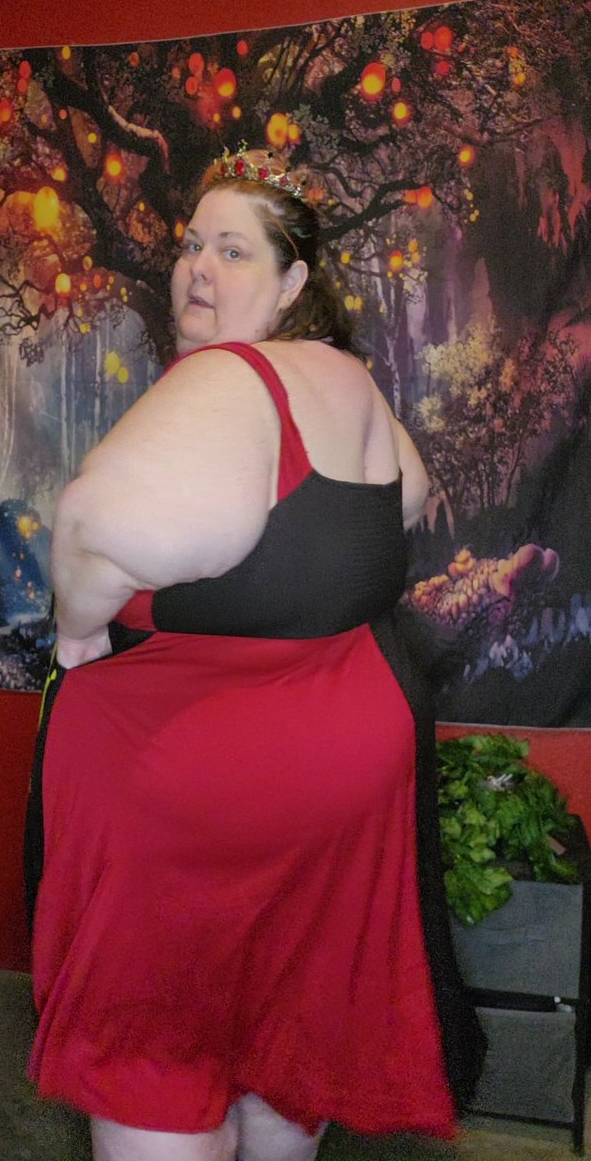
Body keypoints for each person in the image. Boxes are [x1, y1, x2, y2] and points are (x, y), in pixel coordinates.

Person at [25, 146, 484, 1161]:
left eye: (233, 251)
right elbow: (405, 500)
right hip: (339, 787)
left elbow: (97, 523)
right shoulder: (346, 381)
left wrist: (78, 631)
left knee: (157, 1049)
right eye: (192, 243)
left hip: (193, 804)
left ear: (289, 284)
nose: (198, 266)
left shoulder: (227, 378)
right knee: (281, 1029)